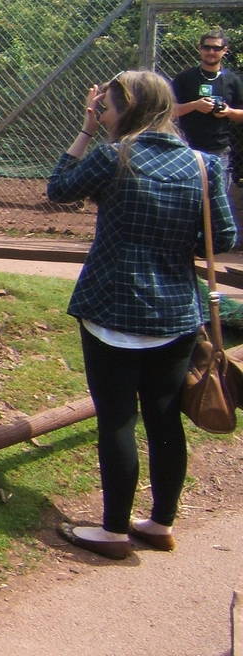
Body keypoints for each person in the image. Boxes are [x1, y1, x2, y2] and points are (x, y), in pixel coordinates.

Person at [46, 70, 237, 559]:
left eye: (107, 105)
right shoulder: (204, 165)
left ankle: (111, 532)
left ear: (128, 108)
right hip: (175, 312)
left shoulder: (114, 156)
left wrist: (86, 129)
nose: (102, 112)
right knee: (164, 419)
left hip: (111, 307)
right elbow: (228, 238)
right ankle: (159, 523)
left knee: (115, 420)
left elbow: (59, 188)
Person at [169, 29, 243, 177]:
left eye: (216, 48)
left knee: (216, 196)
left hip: (219, 150)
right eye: (206, 47)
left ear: (225, 50)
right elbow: (169, 111)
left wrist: (228, 112)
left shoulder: (232, 80)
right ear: (200, 48)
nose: (211, 51)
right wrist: (195, 105)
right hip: (186, 148)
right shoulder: (185, 78)